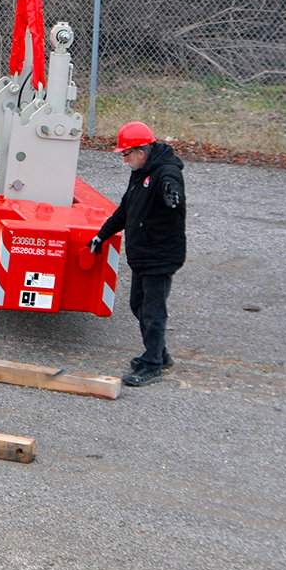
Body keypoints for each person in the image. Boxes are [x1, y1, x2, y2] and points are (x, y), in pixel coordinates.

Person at [90, 120, 186, 387]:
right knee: (138, 305)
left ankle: (153, 364)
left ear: (141, 152)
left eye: (125, 154)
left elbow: (171, 185)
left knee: (153, 310)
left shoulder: (166, 173)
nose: (124, 159)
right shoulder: (141, 173)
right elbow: (125, 210)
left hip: (160, 255)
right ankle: (159, 353)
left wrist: (171, 193)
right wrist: (102, 234)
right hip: (143, 254)